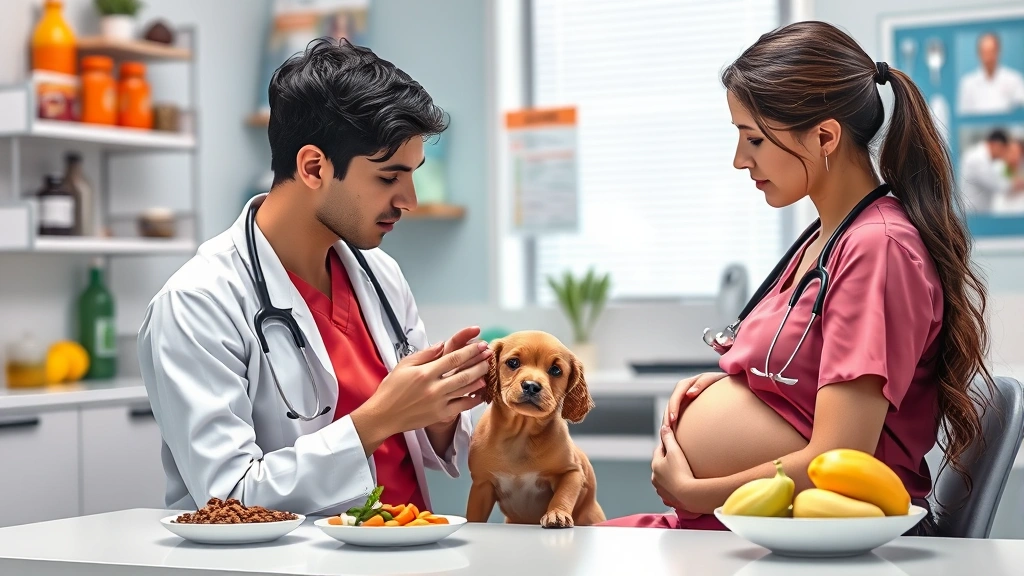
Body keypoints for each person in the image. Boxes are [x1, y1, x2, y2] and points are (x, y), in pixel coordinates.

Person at [602, 21, 993, 536]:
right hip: (757, 530)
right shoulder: (826, 237)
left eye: (754, 139)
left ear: (825, 137)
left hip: (821, 537)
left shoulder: (878, 249)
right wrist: (726, 385)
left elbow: (840, 456)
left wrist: (696, 492)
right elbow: (800, 383)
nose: (739, 160)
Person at [137, 38, 491, 515]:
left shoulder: (381, 275)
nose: (409, 200)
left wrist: (440, 404)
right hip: (291, 554)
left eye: (413, 175)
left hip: (408, 542)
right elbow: (230, 498)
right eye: (389, 178)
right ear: (313, 167)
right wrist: (377, 419)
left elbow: (418, 446)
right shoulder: (197, 303)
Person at [957, 32, 1024, 116]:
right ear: (978, 53)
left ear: (998, 51)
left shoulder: (1014, 79)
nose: (988, 57)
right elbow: (963, 115)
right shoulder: (967, 83)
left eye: (991, 51)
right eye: (985, 52)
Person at [960, 129, 1017, 213]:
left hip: (982, 210)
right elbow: (997, 185)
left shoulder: (992, 160)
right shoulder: (977, 158)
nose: (1004, 153)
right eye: (1004, 149)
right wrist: (1016, 183)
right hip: (973, 212)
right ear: (995, 145)